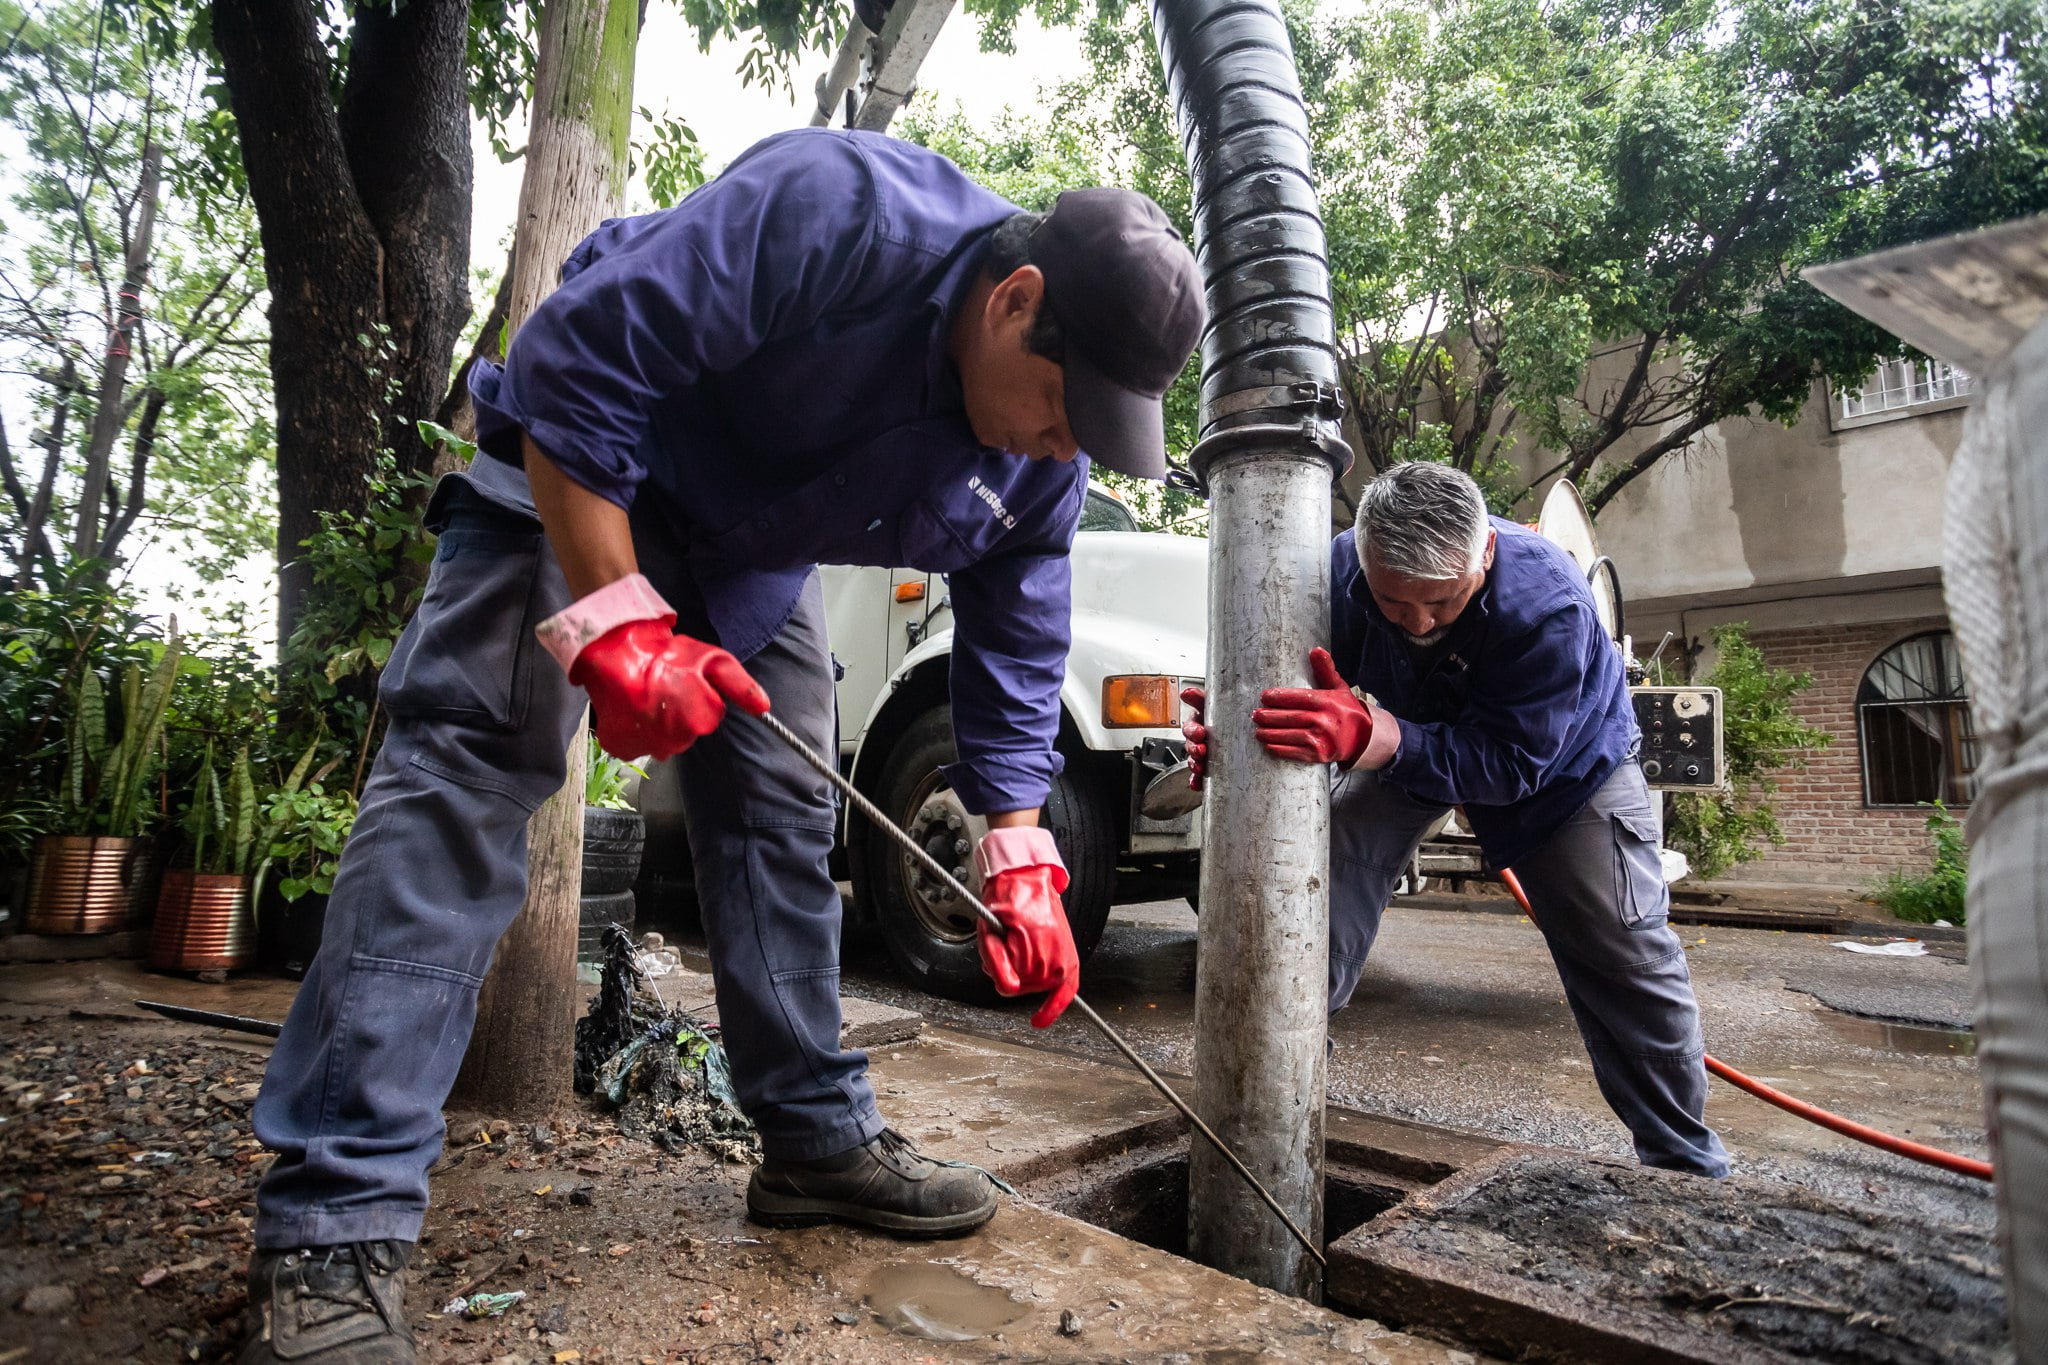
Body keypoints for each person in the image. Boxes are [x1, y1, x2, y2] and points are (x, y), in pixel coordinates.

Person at [237, 127, 1204, 1364]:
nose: (1064, 451)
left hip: (750, 559)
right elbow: (575, 364)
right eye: (1066, 415)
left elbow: (1019, 622)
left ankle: (811, 1141)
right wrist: (614, 621)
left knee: (780, 816)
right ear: (1015, 304)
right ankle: (330, 1230)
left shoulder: (1037, 474)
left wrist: (1018, 846)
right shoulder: (842, 212)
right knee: (468, 779)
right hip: (576, 472)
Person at [1182, 462, 1730, 1179]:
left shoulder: (1551, 606)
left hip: (1567, 773)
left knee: (1624, 950)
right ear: (1367, 561)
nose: (1415, 622)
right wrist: (1236, 731)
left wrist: (1381, 738)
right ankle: (1266, 1101)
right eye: (1391, 601)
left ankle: (1684, 1165)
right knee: (1322, 872)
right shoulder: (1337, 568)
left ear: (1487, 556)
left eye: (1441, 604)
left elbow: (1510, 767)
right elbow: (1283, 684)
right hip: (1409, 736)